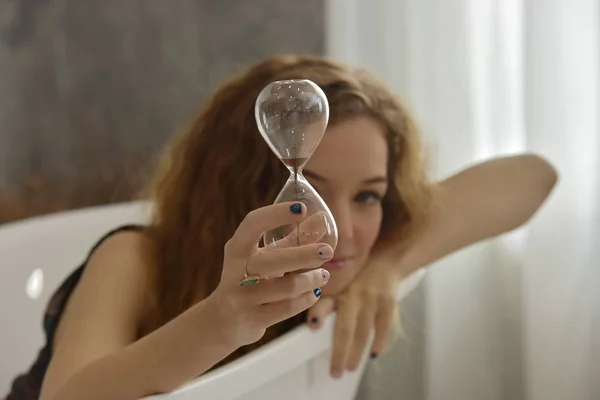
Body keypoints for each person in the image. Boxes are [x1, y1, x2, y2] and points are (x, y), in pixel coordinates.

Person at [5, 55, 558, 400]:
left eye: (368, 195)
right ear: (233, 186)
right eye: (310, 186)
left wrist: (391, 264)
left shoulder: (358, 262)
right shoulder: (136, 257)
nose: (337, 226)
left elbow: (532, 178)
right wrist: (224, 319)